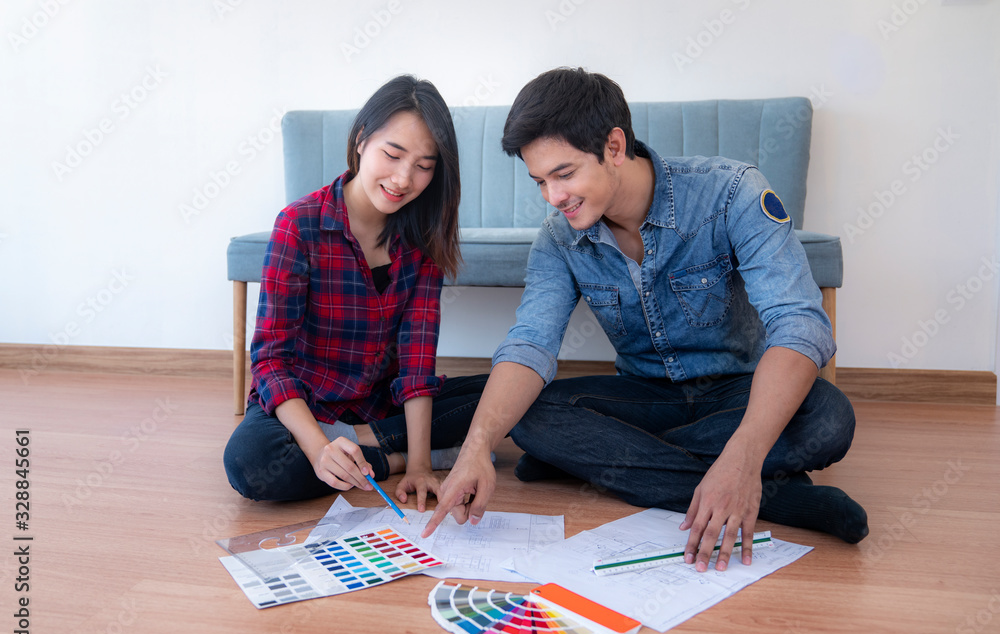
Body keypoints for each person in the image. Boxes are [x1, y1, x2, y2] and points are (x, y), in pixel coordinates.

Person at [422, 67, 868, 571]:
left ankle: (604, 460)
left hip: (740, 394)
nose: (552, 196)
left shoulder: (732, 194)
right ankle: (778, 499)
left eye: (564, 174)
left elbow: (798, 323)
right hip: (646, 396)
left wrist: (743, 452)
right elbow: (530, 343)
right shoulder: (559, 239)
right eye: (540, 181)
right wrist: (478, 446)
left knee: (829, 418)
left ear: (614, 146)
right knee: (530, 417)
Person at [224, 75, 486, 510]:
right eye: (394, 154)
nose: (404, 179)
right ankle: (387, 458)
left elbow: (417, 359)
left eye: (424, 165)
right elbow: (270, 360)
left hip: (381, 407)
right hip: (303, 408)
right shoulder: (299, 225)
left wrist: (422, 468)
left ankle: (366, 444)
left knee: (506, 396)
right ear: (362, 139)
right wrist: (317, 447)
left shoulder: (424, 238)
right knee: (251, 461)